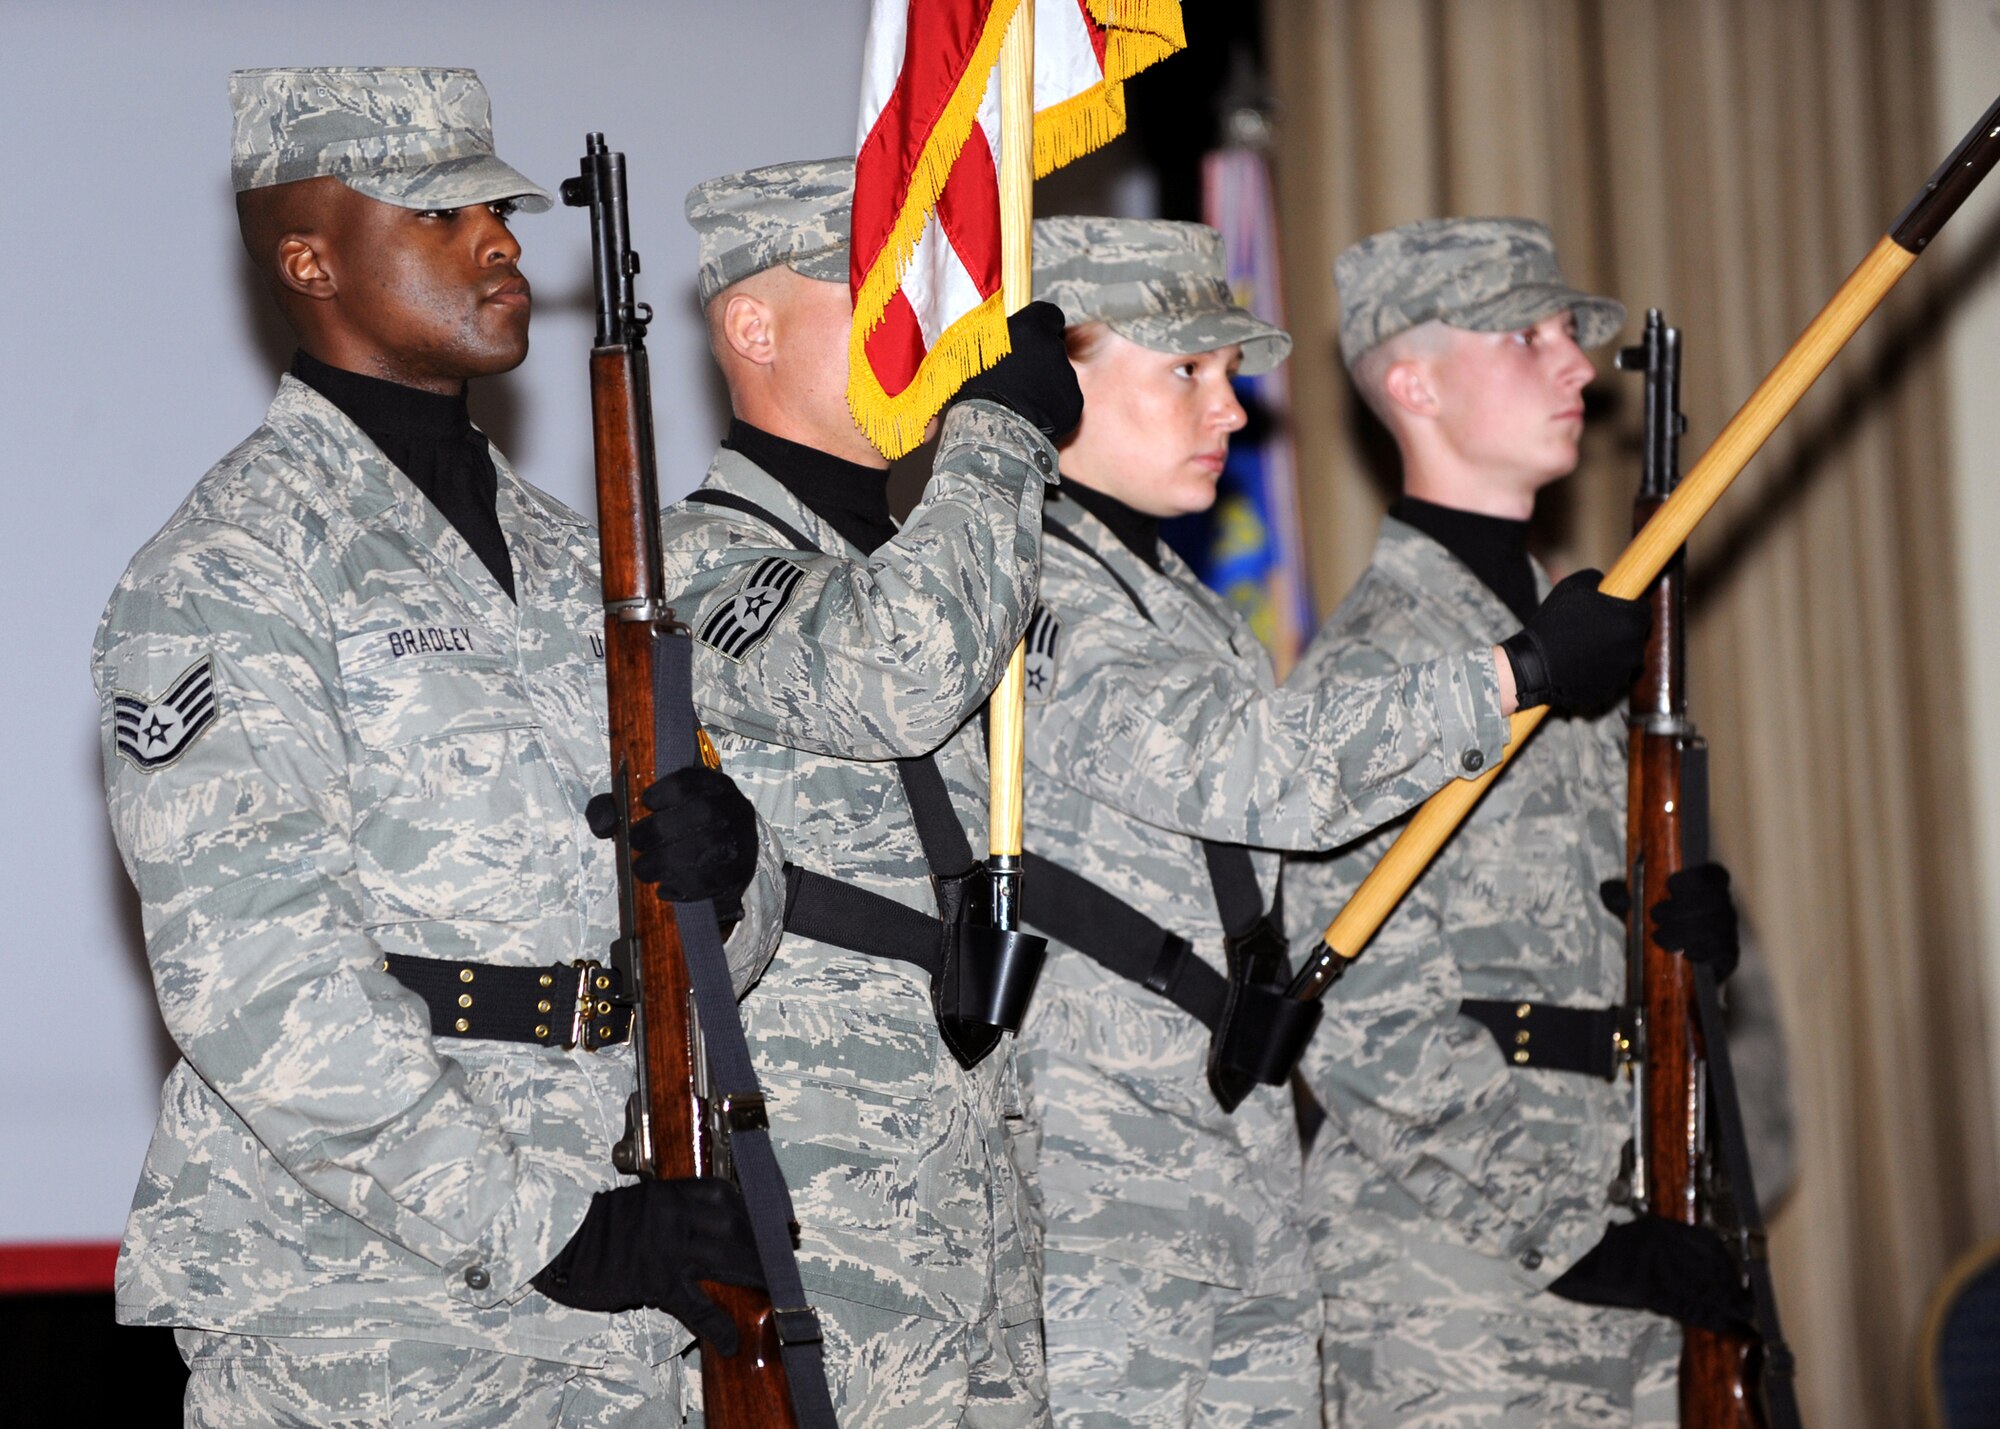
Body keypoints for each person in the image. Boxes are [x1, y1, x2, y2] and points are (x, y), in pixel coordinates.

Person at [95, 67, 785, 1424]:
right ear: (309, 260)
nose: (502, 243)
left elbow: (714, 956)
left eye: (501, 210)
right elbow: (253, 972)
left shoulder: (581, 558)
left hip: (618, 1262)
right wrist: (550, 1227)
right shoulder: (233, 565)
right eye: (439, 213)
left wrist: (737, 871)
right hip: (364, 1300)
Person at [1008, 216, 1657, 1429]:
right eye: (1186, 372)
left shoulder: (1178, 605)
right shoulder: (1037, 591)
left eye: (1225, 374)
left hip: (1224, 1176)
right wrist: (1513, 671)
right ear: (1059, 381)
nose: (1233, 411)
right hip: (1109, 1204)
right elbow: (1264, 772)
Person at [1289, 216, 1748, 1427]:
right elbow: (1353, 1017)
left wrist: (1695, 954)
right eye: (1527, 335)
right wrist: (1580, 1241)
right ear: (1412, 381)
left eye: (1573, 337)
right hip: (1453, 1292)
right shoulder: (1374, 674)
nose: (1578, 370)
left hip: (1629, 1223)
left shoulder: (1591, 639)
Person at [659, 158, 1083, 1427]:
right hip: (825, 1200)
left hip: (977, 1179)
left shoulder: (933, 557)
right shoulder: (687, 561)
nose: (929, 330)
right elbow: (893, 671)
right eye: (882, 290)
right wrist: (1000, 429)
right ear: (752, 324)